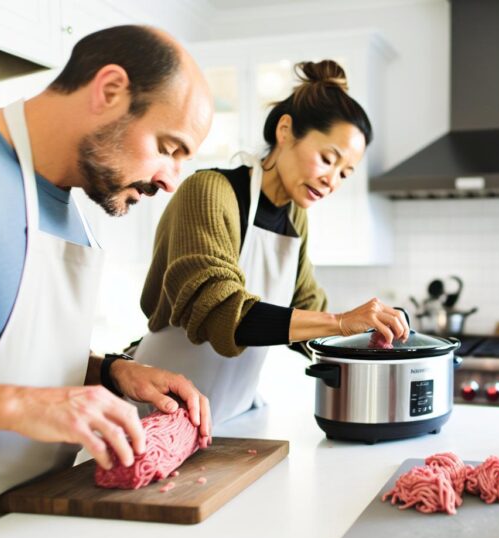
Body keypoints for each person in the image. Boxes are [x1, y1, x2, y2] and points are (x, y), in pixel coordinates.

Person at [0, 25, 215, 538]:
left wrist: (110, 373)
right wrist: (23, 405)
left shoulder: (73, 210)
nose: (171, 180)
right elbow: (15, 392)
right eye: (167, 147)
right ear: (109, 91)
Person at [131, 60, 408, 425]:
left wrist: (374, 335)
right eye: (327, 159)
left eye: (344, 173)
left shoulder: (295, 218)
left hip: (234, 414)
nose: (332, 181)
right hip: (158, 412)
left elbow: (307, 311)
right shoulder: (209, 192)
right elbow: (219, 312)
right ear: (285, 130)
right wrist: (341, 321)